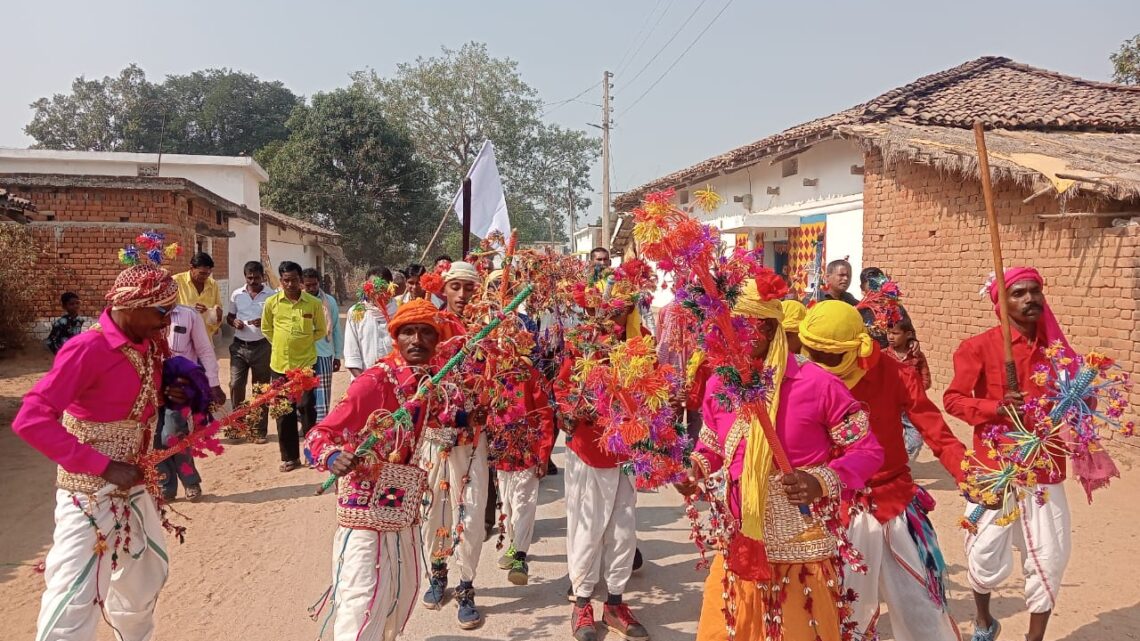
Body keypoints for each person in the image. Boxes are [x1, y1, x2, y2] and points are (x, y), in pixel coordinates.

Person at [677, 278, 883, 641]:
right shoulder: (719, 385)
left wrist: (819, 481)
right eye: (726, 327)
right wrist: (695, 468)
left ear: (771, 328)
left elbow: (867, 451)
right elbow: (712, 444)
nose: (733, 337)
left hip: (801, 546)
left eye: (744, 326)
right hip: (740, 540)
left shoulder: (816, 383)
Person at [13, 257, 186, 641]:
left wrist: (167, 396)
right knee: (76, 592)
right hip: (88, 492)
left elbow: (133, 398)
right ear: (129, 306)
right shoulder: (87, 349)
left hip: (136, 486)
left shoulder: (150, 346)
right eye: (161, 311)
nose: (168, 320)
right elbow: (31, 419)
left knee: (145, 577)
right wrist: (103, 466)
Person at [798, 301, 967, 641]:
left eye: (828, 357)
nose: (817, 364)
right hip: (833, 508)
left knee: (920, 604)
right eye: (810, 352)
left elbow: (934, 428)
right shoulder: (802, 377)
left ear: (857, 348)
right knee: (843, 611)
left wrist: (969, 473)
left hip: (896, 504)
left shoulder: (895, 372)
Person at [306, 299, 465, 641]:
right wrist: (333, 457)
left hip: (399, 504)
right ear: (396, 338)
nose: (417, 340)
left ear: (437, 342)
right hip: (364, 509)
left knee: (401, 592)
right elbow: (318, 435)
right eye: (408, 331)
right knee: (362, 597)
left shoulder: (429, 383)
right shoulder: (375, 381)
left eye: (426, 332)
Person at [944, 267, 1079, 641]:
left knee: (1050, 558)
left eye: (1034, 291)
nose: (1029, 299)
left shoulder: (1059, 354)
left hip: (1043, 469)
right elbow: (953, 400)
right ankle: (985, 621)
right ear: (1000, 304)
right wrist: (996, 408)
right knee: (983, 554)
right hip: (996, 467)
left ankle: (1034, 638)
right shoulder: (979, 347)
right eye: (1018, 293)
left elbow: (1081, 400)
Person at [556, 287, 651, 641]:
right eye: (607, 309)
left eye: (621, 310)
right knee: (587, 529)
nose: (613, 317)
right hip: (588, 450)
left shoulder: (642, 342)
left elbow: (651, 393)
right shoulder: (581, 341)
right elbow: (563, 386)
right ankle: (582, 603)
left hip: (626, 453)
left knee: (624, 532)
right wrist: (568, 412)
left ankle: (614, 603)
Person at [417, 261, 490, 629]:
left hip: (472, 438)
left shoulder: (490, 328)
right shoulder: (428, 326)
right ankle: (438, 571)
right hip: (434, 434)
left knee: (471, 508)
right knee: (433, 508)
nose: (463, 295)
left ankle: (466, 585)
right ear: (443, 289)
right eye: (456, 288)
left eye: (469, 288)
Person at [262, 260, 327, 472]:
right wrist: (283, 344)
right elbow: (267, 329)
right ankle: (290, 457)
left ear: (301, 281)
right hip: (280, 366)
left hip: (306, 365)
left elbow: (320, 330)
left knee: (307, 409)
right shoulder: (272, 303)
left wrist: (303, 342)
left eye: (294, 280)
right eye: (286, 280)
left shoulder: (313, 304)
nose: (290, 284)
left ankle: (311, 454)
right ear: (280, 281)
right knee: (283, 412)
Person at [158, 304, 226, 501]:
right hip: (149, 385)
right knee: (153, 438)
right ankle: (165, 485)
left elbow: (204, 350)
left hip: (179, 385)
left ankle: (190, 482)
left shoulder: (189, 315)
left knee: (172, 435)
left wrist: (213, 384)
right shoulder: (145, 314)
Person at [227, 261, 276, 444]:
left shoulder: (271, 296)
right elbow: (229, 316)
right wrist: (234, 322)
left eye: (257, 277)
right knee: (236, 385)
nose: (253, 280)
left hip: (263, 347)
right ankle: (237, 427)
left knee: (260, 389)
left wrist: (263, 321)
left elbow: (275, 320)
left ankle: (258, 430)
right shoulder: (236, 295)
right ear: (245, 276)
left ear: (263, 276)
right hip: (239, 347)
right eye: (250, 277)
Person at [303, 268, 344, 424]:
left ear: (319, 282)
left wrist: (338, 355)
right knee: (304, 393)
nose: (312, 289)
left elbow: (335, 329)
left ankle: (321, 426)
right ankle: (306, 424)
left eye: (314, 285)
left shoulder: (329, 302)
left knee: (322, 393)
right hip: (302, 355)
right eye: (308, 286)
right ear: (302, 285)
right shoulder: (298, 302)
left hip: (324, 354)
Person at [886, 318, 929, 460]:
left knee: (916, 439)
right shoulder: (883, 356)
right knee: (889, 438)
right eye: (888, 333)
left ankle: (905, 462)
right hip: (889, 406)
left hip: (911, 406)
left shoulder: (917, 356)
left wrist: (915, 392)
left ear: (908, 334)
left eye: (896, 333)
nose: (891, 337)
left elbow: (926, 380)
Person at [344, 267, 398, 379]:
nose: (375, 292)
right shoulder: (356, 313)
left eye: (380, 287)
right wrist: (365, 384)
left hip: (397, 381)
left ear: (390, 287)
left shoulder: (400, 311)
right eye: (372, 287)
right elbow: (352, 355)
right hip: (365, 381)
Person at [175, 251, 223, 337]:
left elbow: (217, 313)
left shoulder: (213, 284)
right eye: (202, 273)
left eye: (208, 274)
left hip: (205, 337)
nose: (205, 277)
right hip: (183, 337)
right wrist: (190, 311)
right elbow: (167, 310)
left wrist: (213, 313)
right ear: (191, 268)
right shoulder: (176, 282)